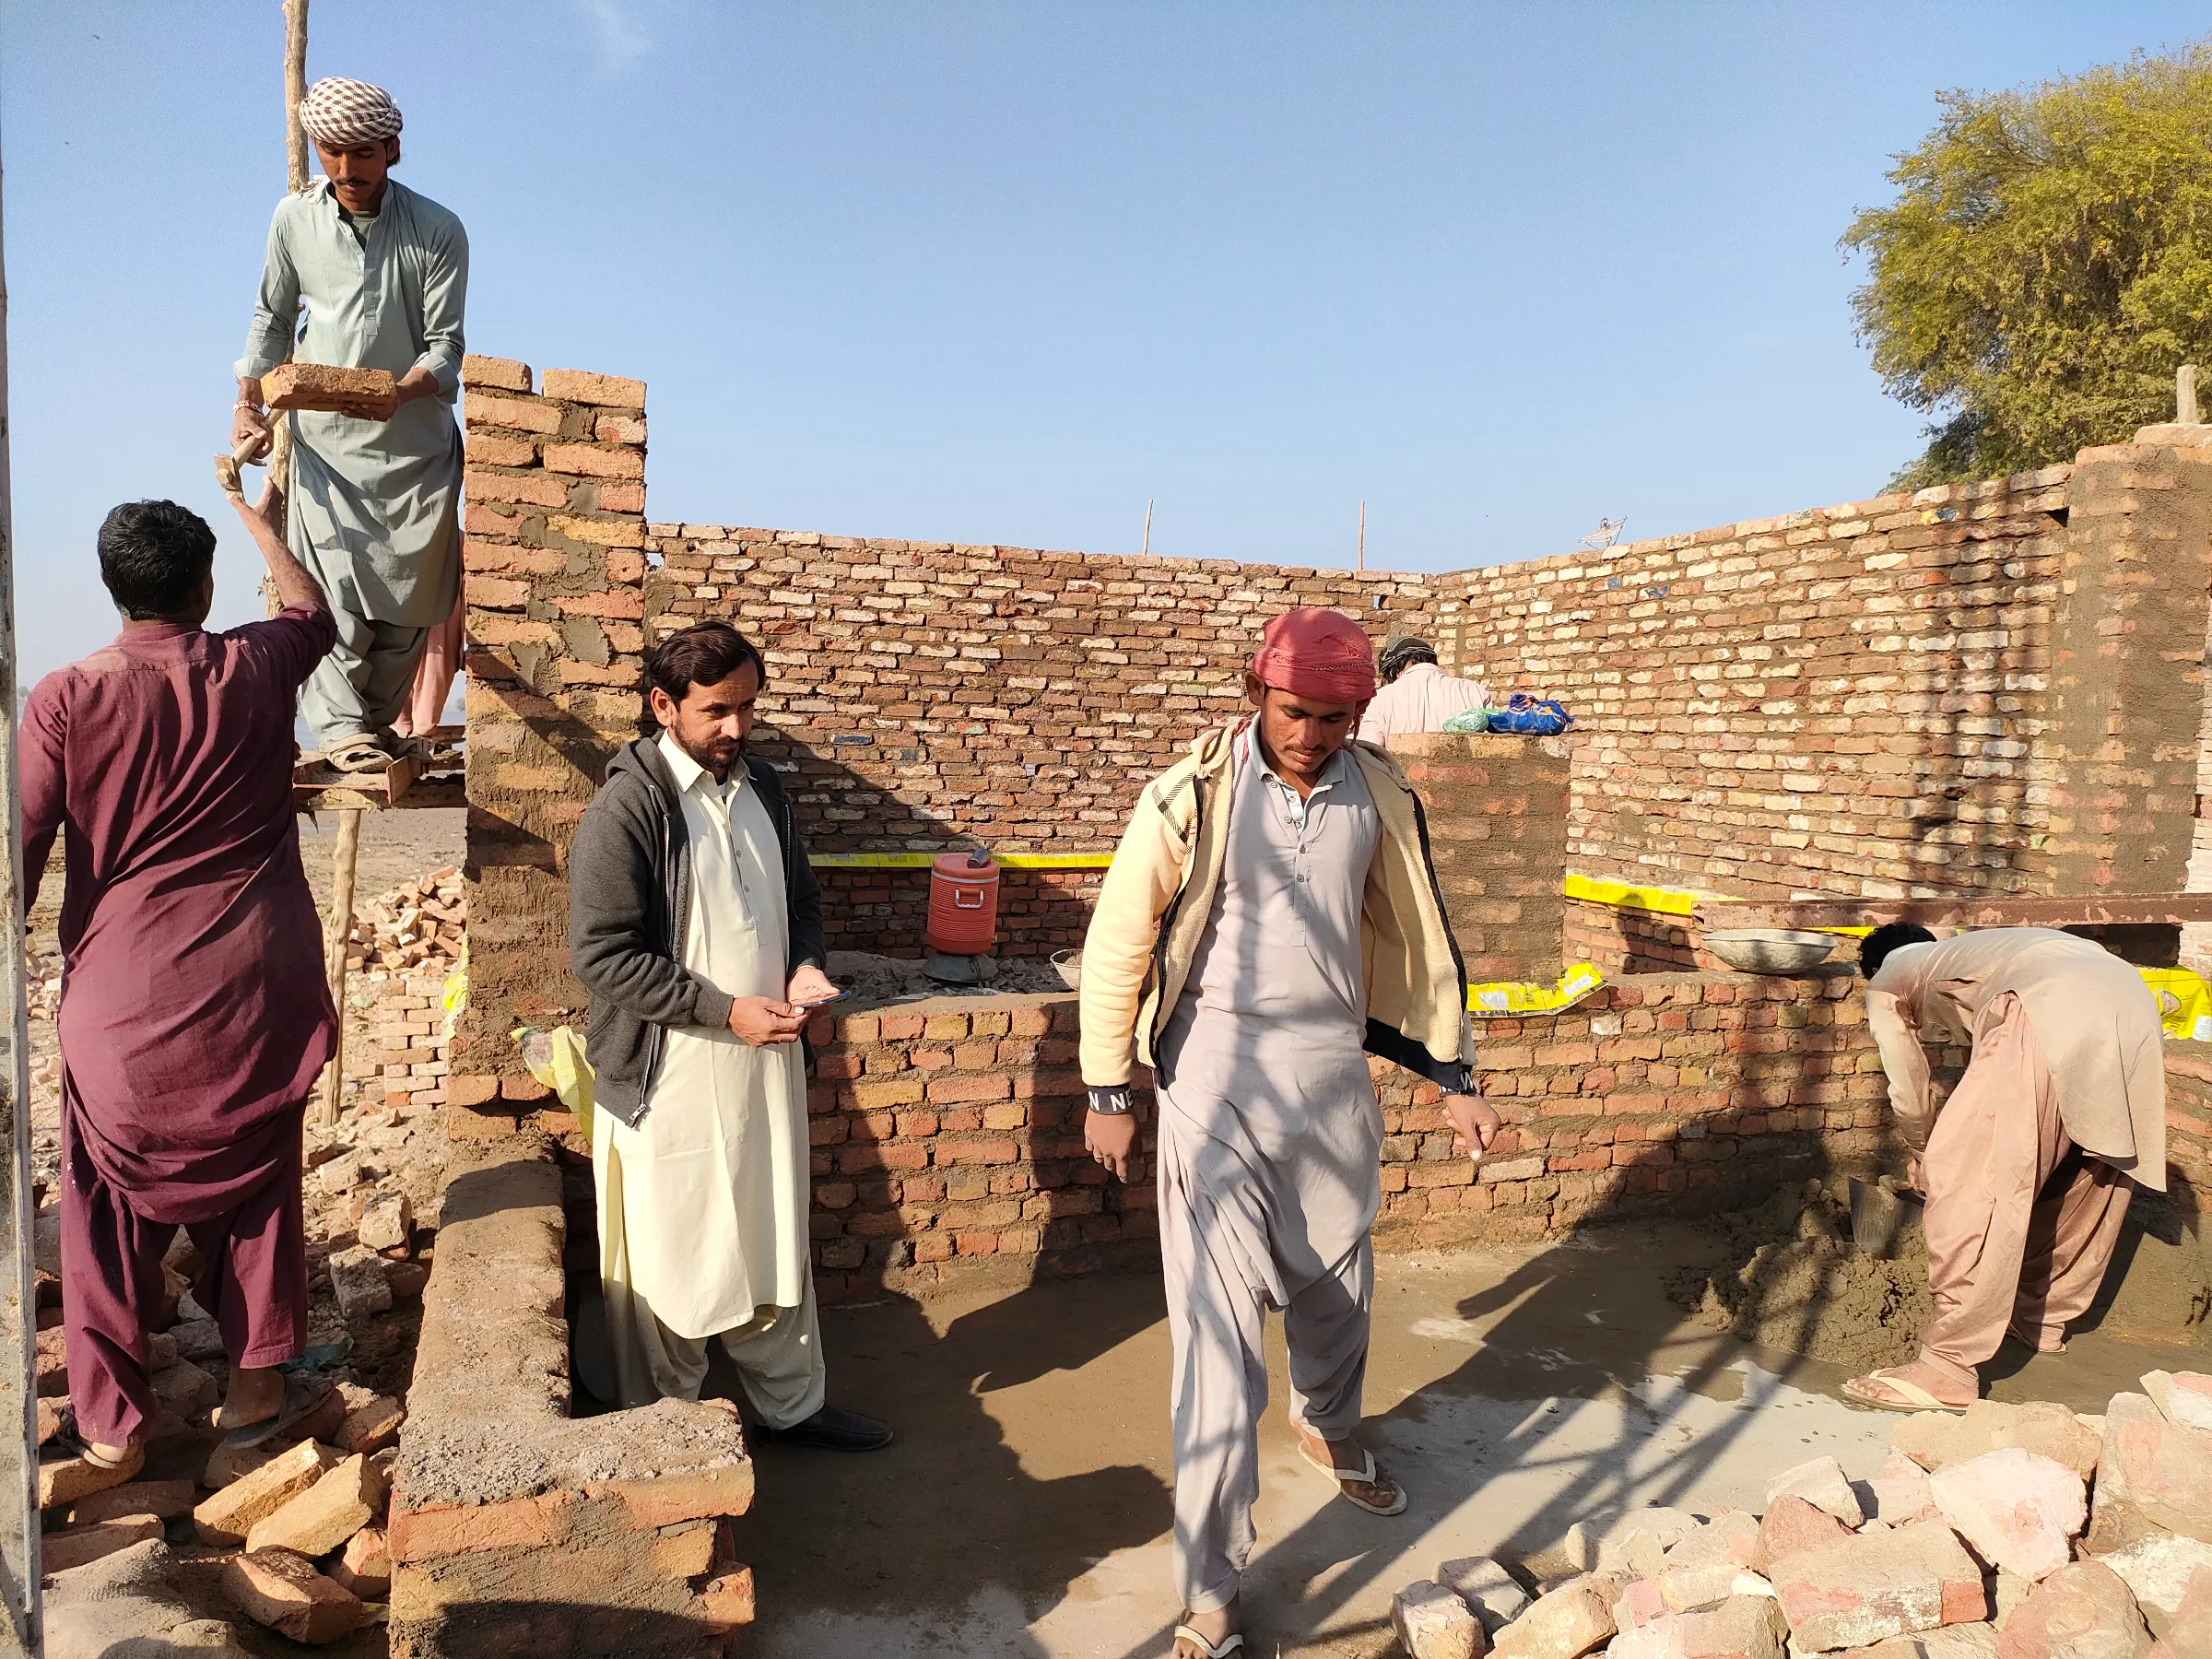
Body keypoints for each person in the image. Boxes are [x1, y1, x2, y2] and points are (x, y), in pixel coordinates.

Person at [1078, 606, 1501, 1658]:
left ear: (1362, 709)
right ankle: (1212, 1584)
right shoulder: (1192, 796)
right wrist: (1108, 1089)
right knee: (1216, 1347)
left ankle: (1329, 1426)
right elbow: (1119, 937)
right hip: (1213, 1081)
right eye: (1292, 710)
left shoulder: (1383, 794)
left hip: (1329, 1078)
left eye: (1332, 715)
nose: (1309, 734)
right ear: (1254, 693)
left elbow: (1419, 931)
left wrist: (1452, 1073)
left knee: (1337, 1282)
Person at [24, 487, 339, 1488]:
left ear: (112, 591)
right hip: (256, 991)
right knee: (256, 1194)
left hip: (123, 1006)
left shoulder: (69, 695)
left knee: (105, 1209)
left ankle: (114, 1426)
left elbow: (16, 857)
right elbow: (311, 610)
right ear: (206, 585)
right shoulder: (255, 664)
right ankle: (252, 1394)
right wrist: (253, 510)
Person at [569, 620, 892, 1451]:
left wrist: (803, 970)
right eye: (717, 712)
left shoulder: (766, 791)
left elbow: (803, 906)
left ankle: (792, 1410)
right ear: (663, 705)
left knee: (770, 1240)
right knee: (673, 1260)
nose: (737, 729)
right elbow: (603, 956)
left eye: (748, 708)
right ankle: (661, 1436)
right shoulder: (629, 805)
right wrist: (726, 1013)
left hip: (764, 1071)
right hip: (667, 1079)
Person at [232, 75, 466, 772]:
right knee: (327, 591)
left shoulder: (438, 229)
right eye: (330, 152)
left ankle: (366, 727)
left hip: (414, 447)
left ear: (392, 148)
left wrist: (400, 392)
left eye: (361, 153)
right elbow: (271, 319)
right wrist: (248, 399)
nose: (345, 171)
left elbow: (445, 348)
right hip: (324, 448)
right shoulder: (292, 219)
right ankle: (336, 728)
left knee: (411, 601)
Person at [1842, 924, 2166, 1411]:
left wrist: (1923, 1149)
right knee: (2083, 1172)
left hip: (2047, 1002)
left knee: (1973, 1183)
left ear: (1873, 966)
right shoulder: (1978, 953)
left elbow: (1909, 1081)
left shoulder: (1889, 976)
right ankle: (2041, 1317)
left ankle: (1945, 1368)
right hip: (2133, 1002)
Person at [1353, 636, 1488, 748]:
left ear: (1397, 671)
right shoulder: (1473, 690)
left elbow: (1367, 750)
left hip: (1400, 779)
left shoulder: (1382, 698)